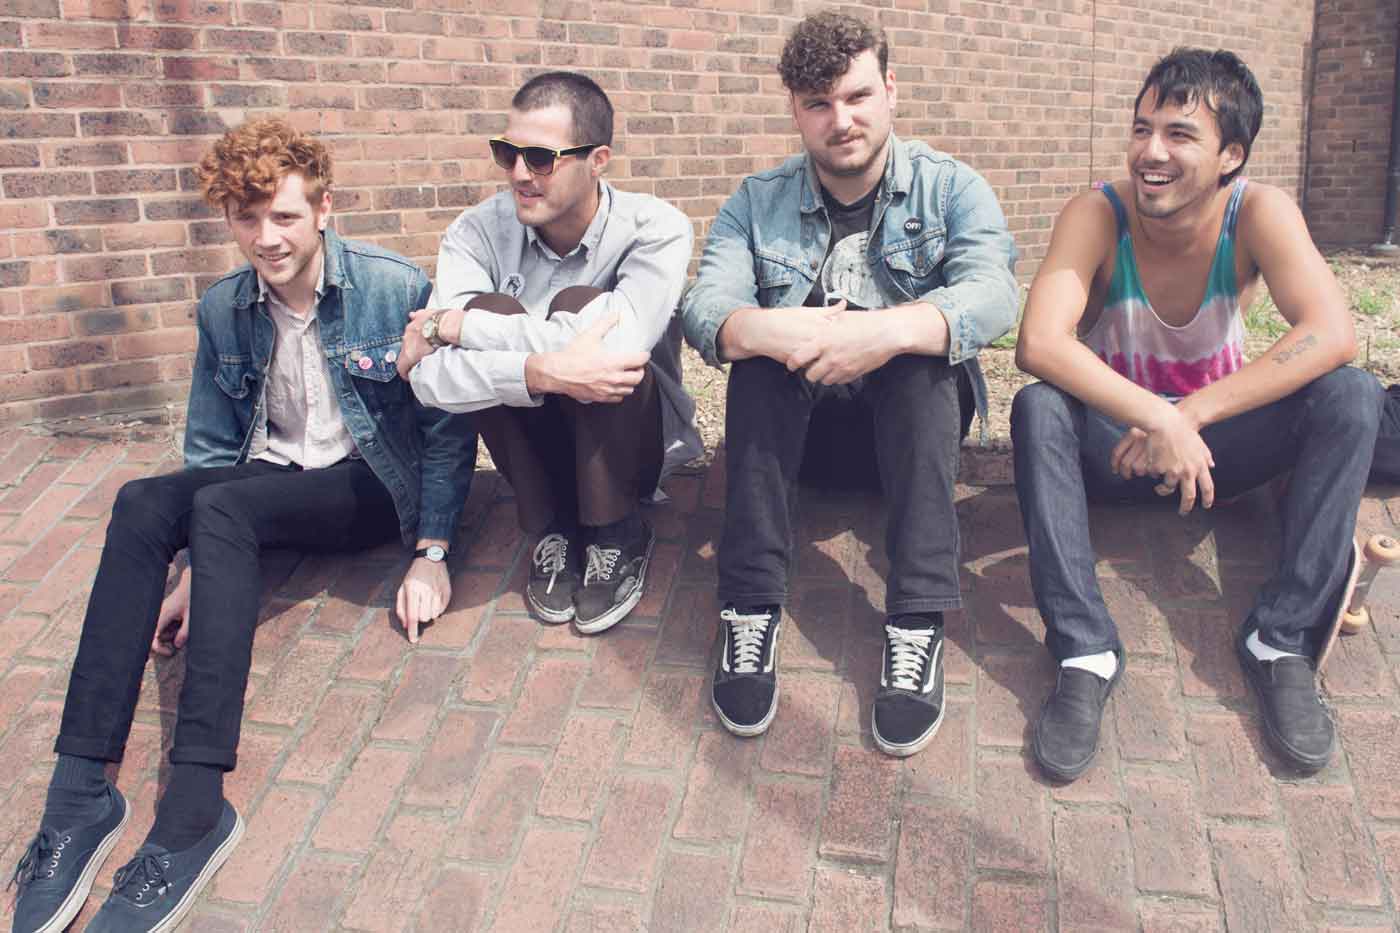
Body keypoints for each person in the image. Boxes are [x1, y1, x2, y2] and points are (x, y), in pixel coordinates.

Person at [7, 118, 476, 933]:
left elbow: (445, 426)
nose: (267, 237)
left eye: (285, 216)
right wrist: (195, 569)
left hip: (367, 485)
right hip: (267, 484)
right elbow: (212, 445)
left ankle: (195, 812)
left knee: (220, 507)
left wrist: (433, 551)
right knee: (141, 501)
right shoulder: (225, 307)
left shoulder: (392, 286)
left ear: (324, 208)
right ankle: (79, 795)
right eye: (247, 218)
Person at [1012, 48, 1385, 781]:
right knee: (1038, 408)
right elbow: (1039, 344)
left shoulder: (1259, 212)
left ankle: (1280, 640)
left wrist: (1188, 417)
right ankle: (1084, 650)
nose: (1151, 151)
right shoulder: (1098, 213)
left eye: (1180, 134)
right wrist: (1155, 419)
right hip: (1115, 449)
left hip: (1214, 454)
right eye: (1142, 128)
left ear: (1230, 156)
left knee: (1353, 393)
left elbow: (1332, 331)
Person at [680, 11, 1018, 757]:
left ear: (891, 89)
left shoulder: (949, 188)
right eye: (819, 104)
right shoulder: (756, 201)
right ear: (795, 110)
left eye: (858, 96)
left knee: (921, 359)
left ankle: (916, 617)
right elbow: (706, 305)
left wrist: (883, 332)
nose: (842, 121)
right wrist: (771, 329)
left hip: (913, 437)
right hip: (806, 446)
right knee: (759, 359)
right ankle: (750, 605)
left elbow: (996, 294)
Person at [399, 71, 700, 635]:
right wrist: (538, 370)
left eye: (540, 158)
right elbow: (428, 380)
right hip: (536, 445)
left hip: (630, 445)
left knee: (577, 304)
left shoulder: (655, 228)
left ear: (597, 160)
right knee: (495, 306)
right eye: (507, 153)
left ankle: (616, 530)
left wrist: (460, 326)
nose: (519, 174)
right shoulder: (476, 232)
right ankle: (553, 527)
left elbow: (619, 347)